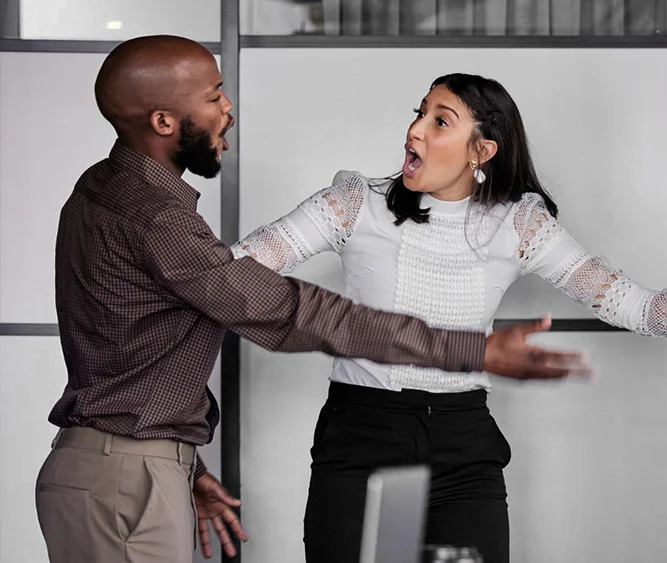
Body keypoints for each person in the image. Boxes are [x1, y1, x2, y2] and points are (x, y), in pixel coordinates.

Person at [35, 35, 589, 563]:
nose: (229, 108)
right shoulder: (157, 217)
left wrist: (183, 465)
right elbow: (287, 309)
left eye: (438, 119)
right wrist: (472, 351)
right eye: (213, 97)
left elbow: (131, 355)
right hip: (135, 474)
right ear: (163, 121)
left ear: (484, 150)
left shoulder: (106, 187)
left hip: (129, 465)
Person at [234, 72, 667, 563]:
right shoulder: (354, 204)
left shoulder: (518, 225)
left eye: (439, 120)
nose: (414, 131)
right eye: (418, 113)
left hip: (464, 447)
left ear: (482, 150)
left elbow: (622, 299)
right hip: (362, 437)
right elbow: (230, 273)